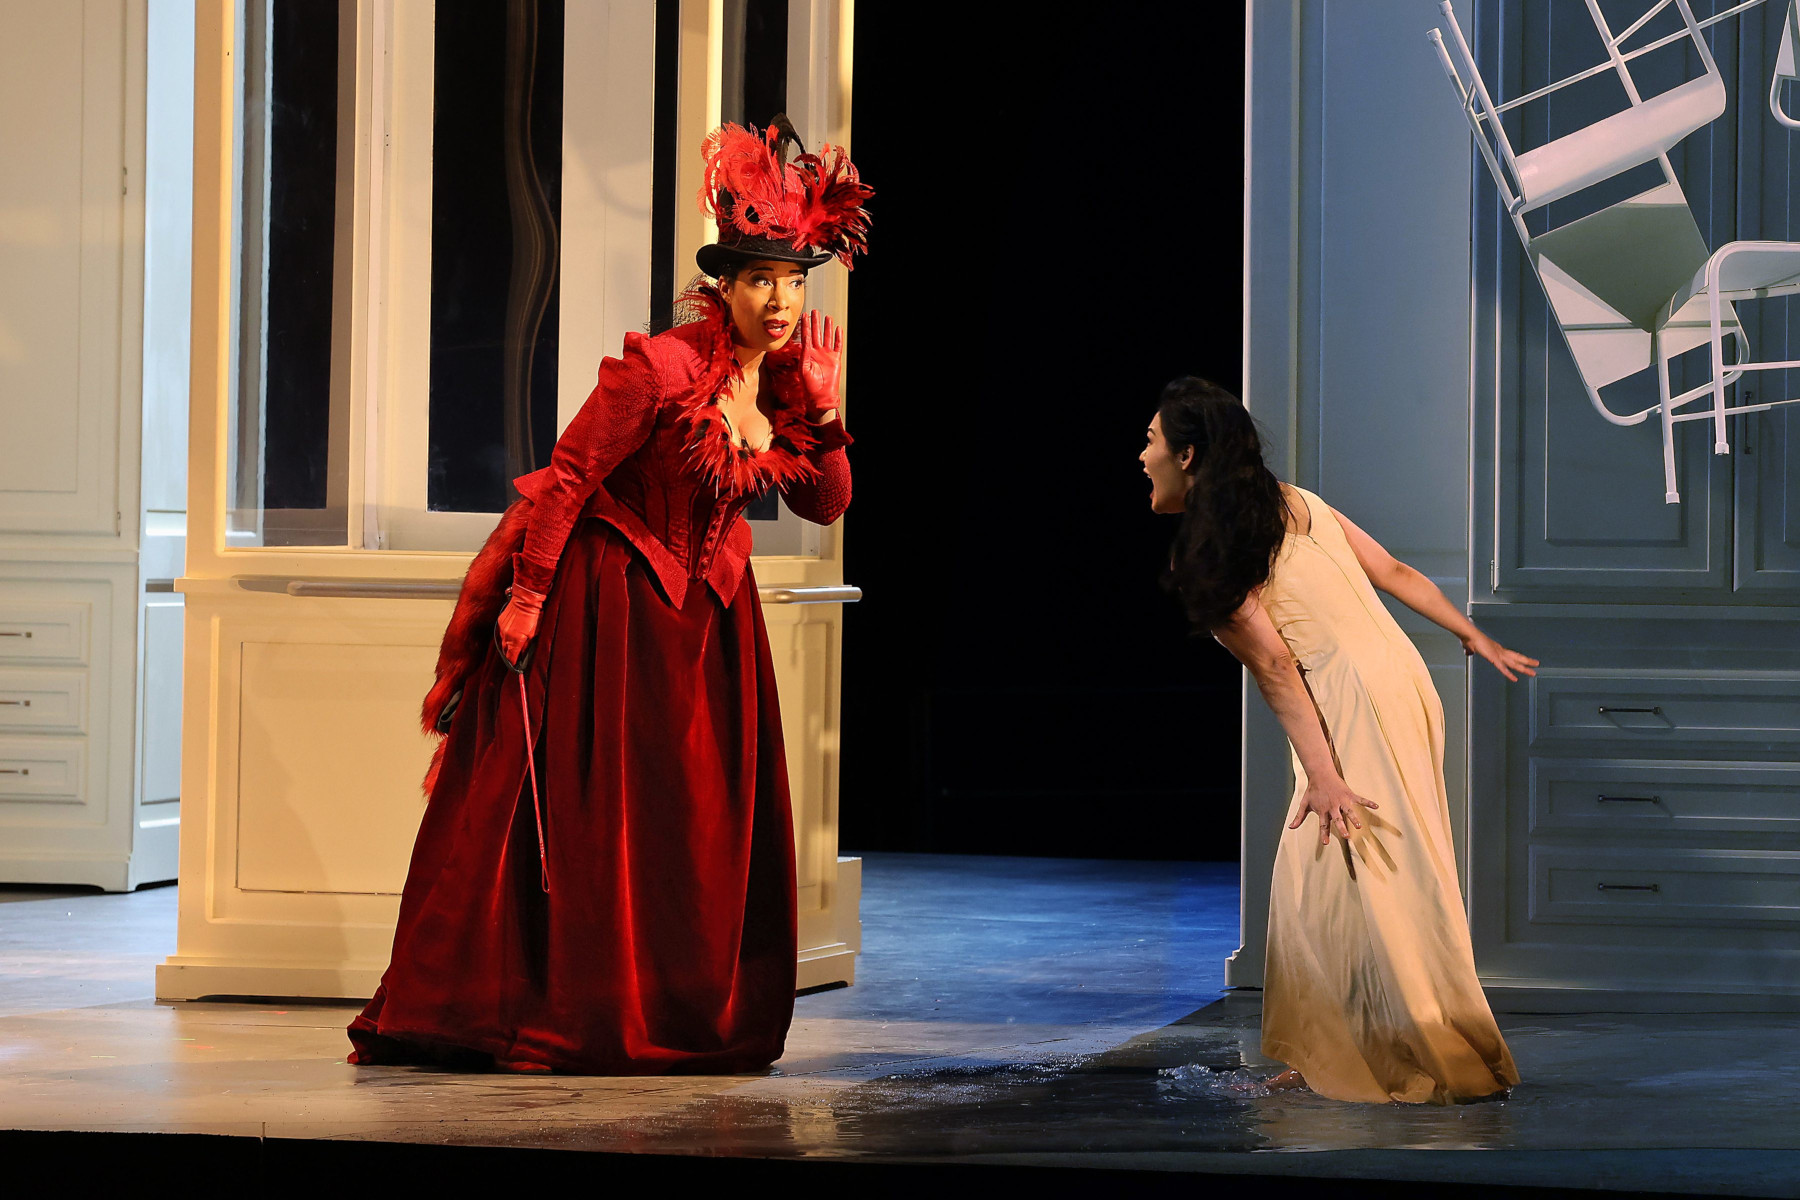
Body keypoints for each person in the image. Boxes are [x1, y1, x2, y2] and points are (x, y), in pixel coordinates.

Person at [347, 119, 872, 1074]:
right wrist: (529, 595)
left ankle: (690, 1008)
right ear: (726, 284)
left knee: (697, 828)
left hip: (712, 626)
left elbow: (826, 502)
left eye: (795, 281)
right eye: (761, 280)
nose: (782, 301)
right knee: (612, 821)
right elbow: (569, 475)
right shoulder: (661, 366)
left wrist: (828, 413)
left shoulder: (792, 382)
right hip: (617, 613)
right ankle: (593, 1008)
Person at [1141, 376, 1531, 1104]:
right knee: (1338, 879)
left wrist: (1323, 775)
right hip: (1404, 682)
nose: (1142, 455)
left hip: (1350, 699)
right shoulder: (1294, 502)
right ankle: (1345, 1050)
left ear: (1188, 456)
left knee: (1361, 874)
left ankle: (1422, 1053)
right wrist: (1467, 633)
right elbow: (1395, 572)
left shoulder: (1211, 551)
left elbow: (1279, 668)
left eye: (1152, 441)